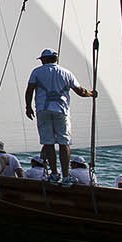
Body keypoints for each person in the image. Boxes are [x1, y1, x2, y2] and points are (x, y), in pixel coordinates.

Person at [24, 48, 98, 183]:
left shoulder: (36, 72)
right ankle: (65, 176)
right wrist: (91, 94)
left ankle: (53, 174)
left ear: (44, 60)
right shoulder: (66, 73)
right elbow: (80, 91)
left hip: (43, 110)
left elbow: (29, 91)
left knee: (48, 142)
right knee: (64, 143)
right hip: (61, 110)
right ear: (56, 59)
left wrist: (28, 107)